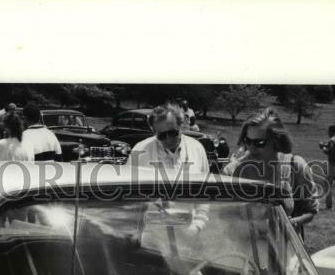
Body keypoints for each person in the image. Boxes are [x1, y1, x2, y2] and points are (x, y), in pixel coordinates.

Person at [223, 107, 319, 241]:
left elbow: (310, 211)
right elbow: (224, 214)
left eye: (259, 143)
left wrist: (291, 223)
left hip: (283, 251)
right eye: (247, 141)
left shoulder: (295, 165)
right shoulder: (231, 171)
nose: (251, 147)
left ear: (276, 140)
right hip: (243, 252)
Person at [127, 103, 211, 233]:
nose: (168, 139)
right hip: (150, 233)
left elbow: (205, 192)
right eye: (162, 135)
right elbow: (128, 197)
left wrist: (198, 224)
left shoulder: (197, 149)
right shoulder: (139, 151)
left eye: (173, 133)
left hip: (190, 230)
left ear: (181, 125)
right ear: (153, 132)